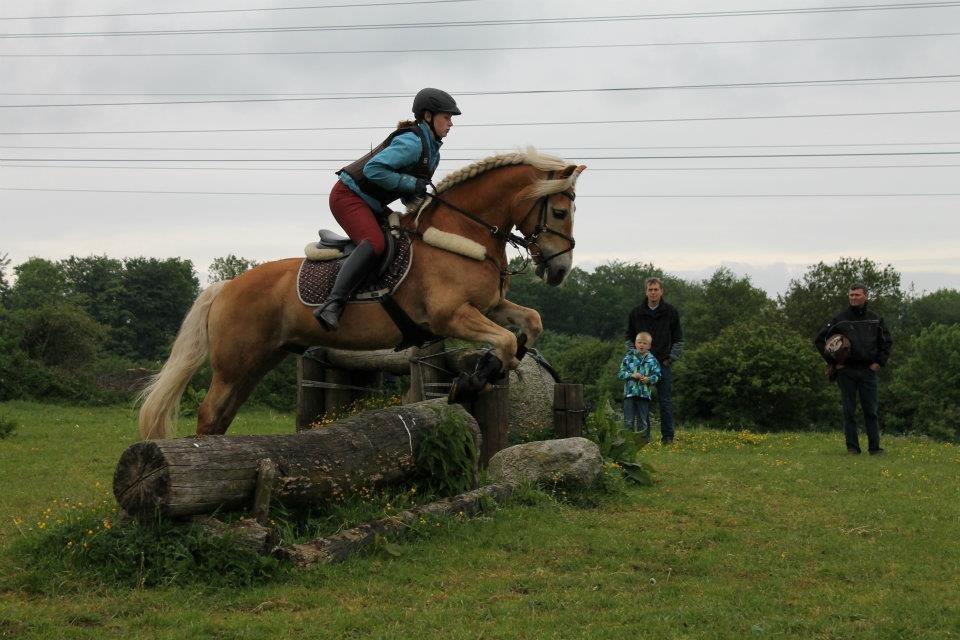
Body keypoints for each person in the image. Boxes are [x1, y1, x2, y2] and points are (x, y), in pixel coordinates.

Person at [313, 88, 461, 330]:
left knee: (405, 237)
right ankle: (332, 304)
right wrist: (413, 184)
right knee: (375, 243)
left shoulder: (433, 152)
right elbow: (374, 170)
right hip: (347, 196)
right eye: (447, 117)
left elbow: (405, 192)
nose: (451, 124)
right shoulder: (413, 143)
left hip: (370, 202)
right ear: (427, 117)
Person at [815, 283, 893, 455]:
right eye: (851, 295)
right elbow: (819, 340)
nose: (853, 298)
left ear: (866, 296)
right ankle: (852, 448)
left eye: (857, 295)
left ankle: (875, 448)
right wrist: (833, 362)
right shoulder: (839, 319)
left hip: (868, 371)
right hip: (846, 371)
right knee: (849, 411)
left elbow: (886, 342)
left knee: (871, 411)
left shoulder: (875, 319)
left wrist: (879, 362)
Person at [624, 277, 684, 443]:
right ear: (646, 292)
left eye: (656, 289)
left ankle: (668, 437)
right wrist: (633, 357)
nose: (653, 292)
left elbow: (678, 339)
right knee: (640, 401)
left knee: (665, 401)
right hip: (640, 365)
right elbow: (629, 338)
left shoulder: (671, 312)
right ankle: (643, 437)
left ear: (661, 291)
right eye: (650, 290)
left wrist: (670, 359)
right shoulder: (636, 313)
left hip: (662, 363)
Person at [618, 332, 662, 440]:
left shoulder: (653, 360)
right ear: (635, 344)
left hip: (644, 394)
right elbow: (620, 374)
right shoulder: (628, 358)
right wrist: (632, 375)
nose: (641, 345)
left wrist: (649, 379)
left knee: (643, 420)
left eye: (645, 343)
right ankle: (628, 441)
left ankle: (644, 442)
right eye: (639, 342)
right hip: (629, 393)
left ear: (649, 346)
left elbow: (658, 375)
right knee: (629, 420)